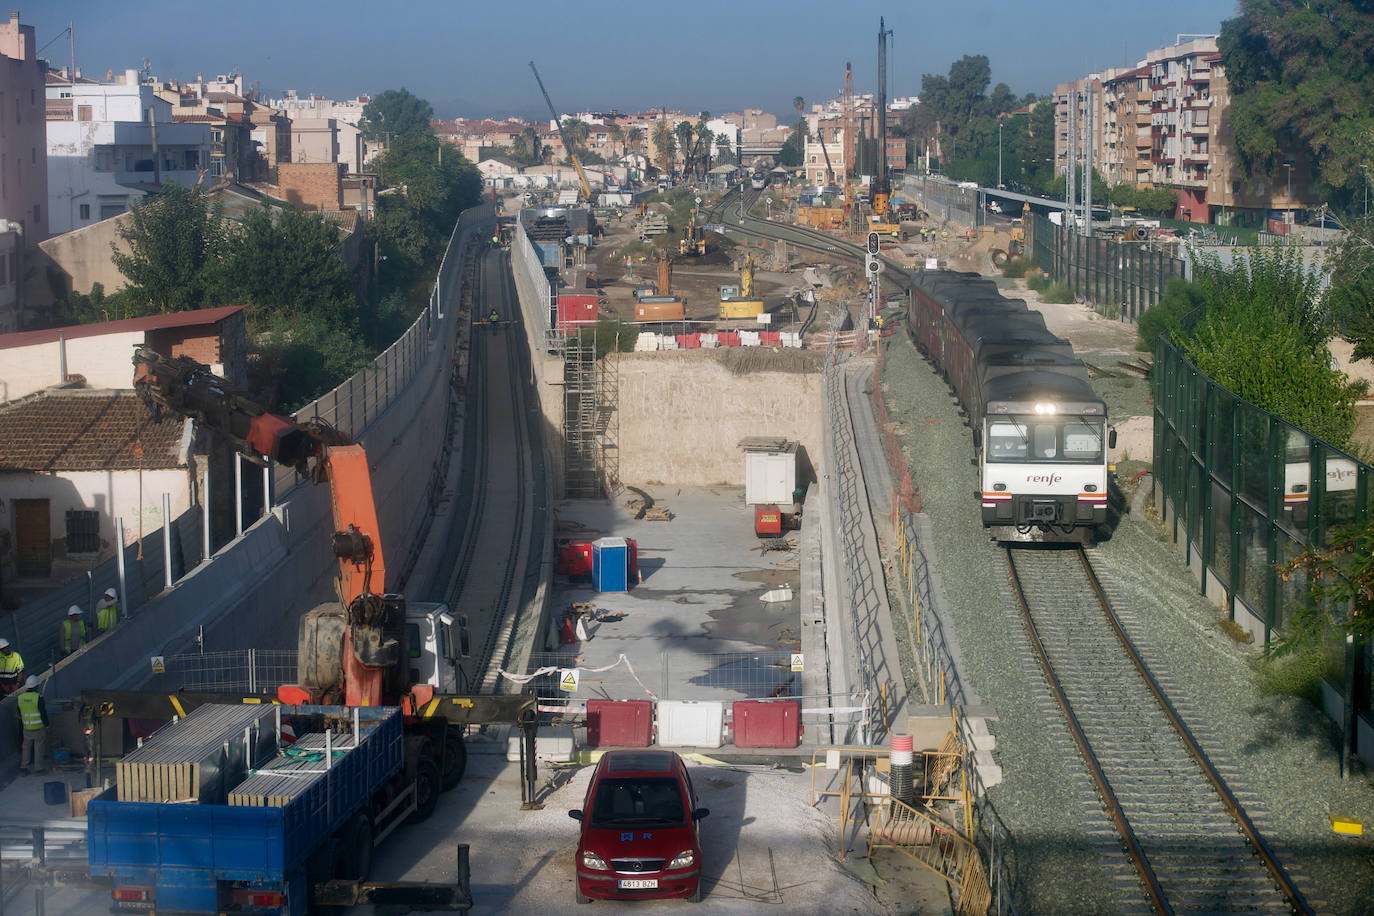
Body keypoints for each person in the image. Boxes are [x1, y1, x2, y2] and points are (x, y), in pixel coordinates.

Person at [17, 675, 47, 775]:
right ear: (36, 687)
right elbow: (43, 713)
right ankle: (38, 768)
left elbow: (19, 713)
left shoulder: (20, 698)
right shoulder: (38, 697)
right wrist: (47, 725)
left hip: (26, 728)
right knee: (39, 747)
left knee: (26, 747)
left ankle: (23, 767)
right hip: (38, 727)